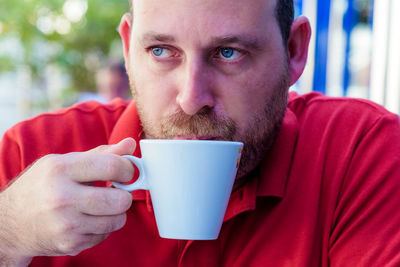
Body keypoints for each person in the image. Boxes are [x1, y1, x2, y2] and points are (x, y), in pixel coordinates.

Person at [0, 0, 399, 266]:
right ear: (127, 49)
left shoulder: (361, 152)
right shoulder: (33, 154)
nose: (192, 99)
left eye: (229, 53)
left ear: (294, 50)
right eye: (161, 50)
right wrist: (10, 233)